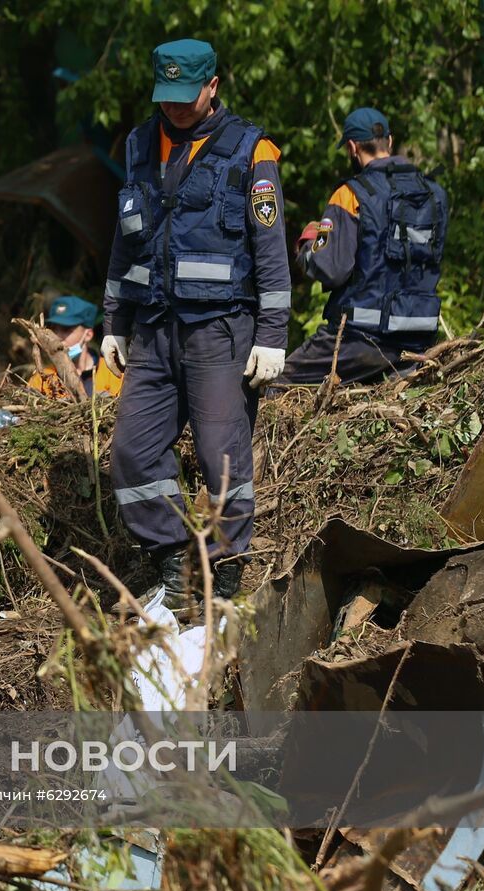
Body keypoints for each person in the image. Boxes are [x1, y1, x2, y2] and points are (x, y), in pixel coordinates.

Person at [102, 39, 291, 606]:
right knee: (132, 455)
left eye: (188, 97)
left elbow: (271, 250)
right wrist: (113, 320)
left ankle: (225, 578)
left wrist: (273, 335)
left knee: (221, 457)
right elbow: (123, 240)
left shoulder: (252, 152)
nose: (176, 109)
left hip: (221, 330)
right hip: (155, 329)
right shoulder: (139, 144)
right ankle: (173, 564)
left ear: (214, 86)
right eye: (167, 98)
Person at [273, 108, 449, 387]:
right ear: (389, 141)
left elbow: (331, 269)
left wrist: (308, 246)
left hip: (360, 341)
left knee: (274, 381)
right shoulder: (434, 194)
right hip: (419, 338)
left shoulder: (351, 194)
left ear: (353, 148)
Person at [27, 295, 124, 398]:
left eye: (66, 329)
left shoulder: (113, 373)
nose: (57, 337)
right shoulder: (42, 379)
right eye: (54, 329)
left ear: (88, 335)